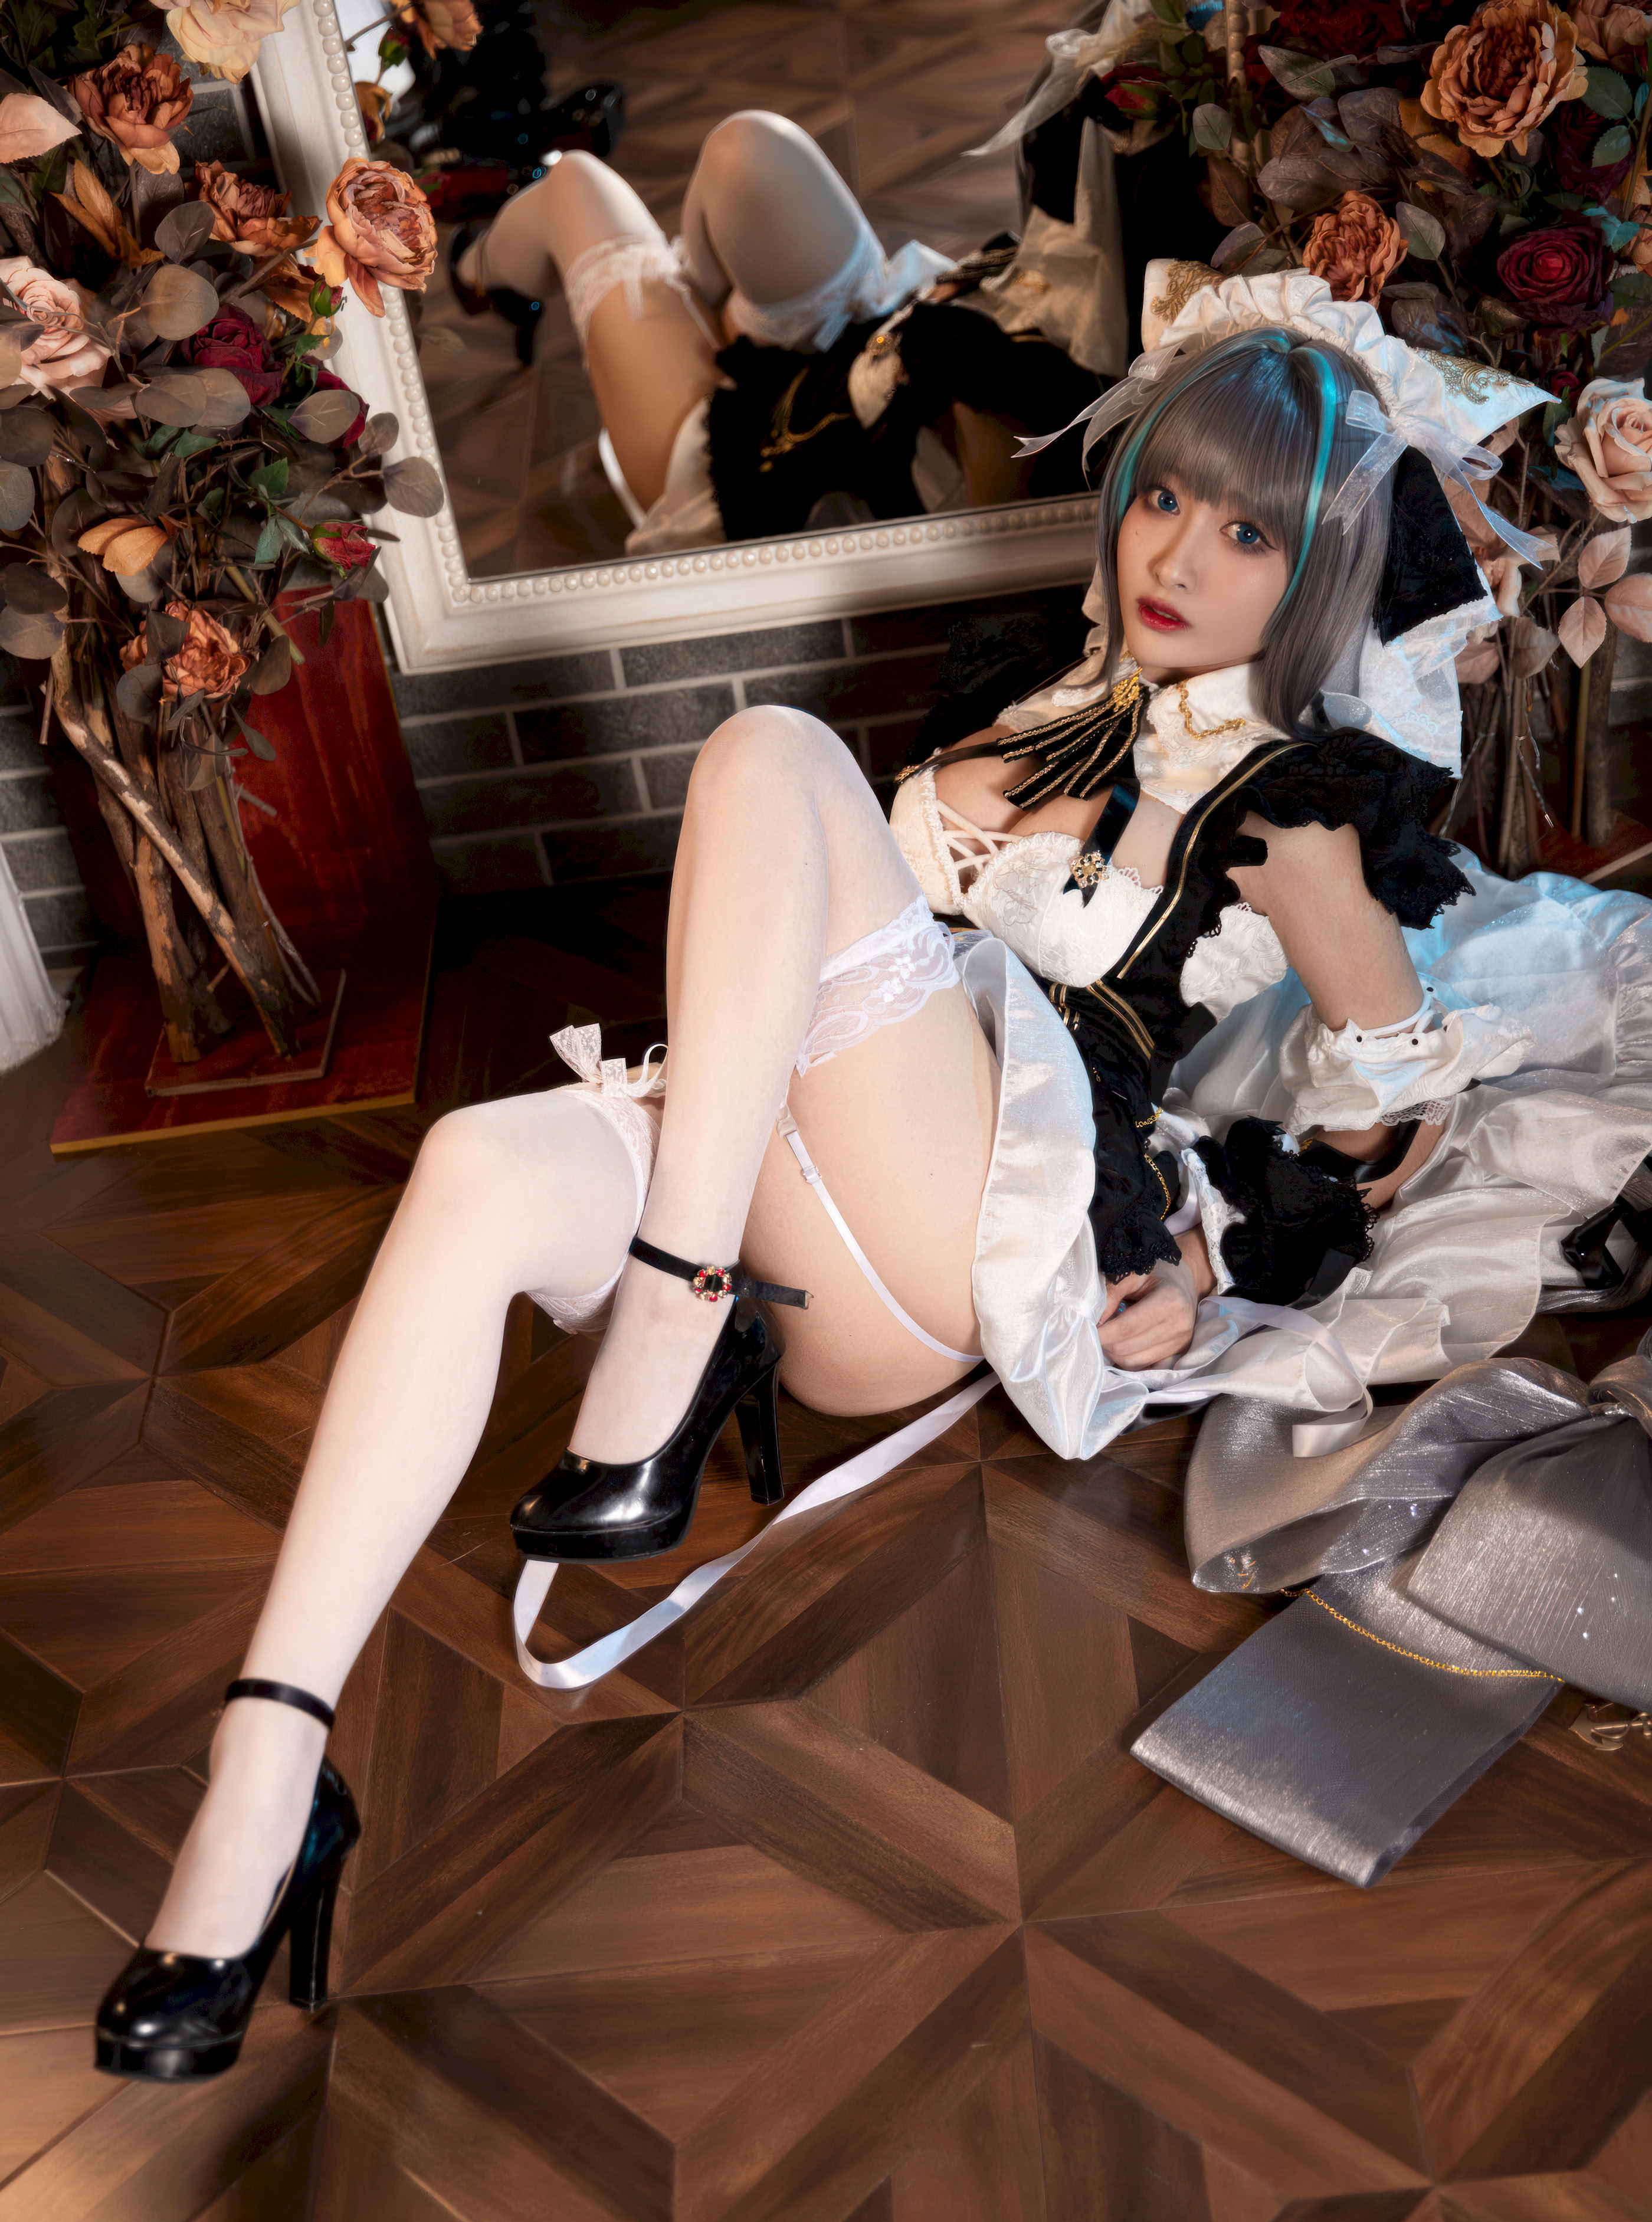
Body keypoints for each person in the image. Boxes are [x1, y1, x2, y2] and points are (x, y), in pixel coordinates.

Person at [93, 263, 1651, 2081]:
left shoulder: (1299, 806)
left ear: (1318, 572)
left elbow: (1388, 1124)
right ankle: (268, 1776)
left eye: (1247, 532)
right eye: (1163, 492)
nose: (1177, 552)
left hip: (940, 1229)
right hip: (774, 1165)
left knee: (769, 746)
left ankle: (671, 1330)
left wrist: (1217, 1256)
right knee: (470, 1166)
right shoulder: (1037, 699)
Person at [446, 107, 1102, 538]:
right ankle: (689, 301)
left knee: (577, 183)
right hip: (873, 345)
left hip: (762, 470)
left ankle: (476, 268)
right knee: (749, 147)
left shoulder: (1037, 422)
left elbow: (989, 557)